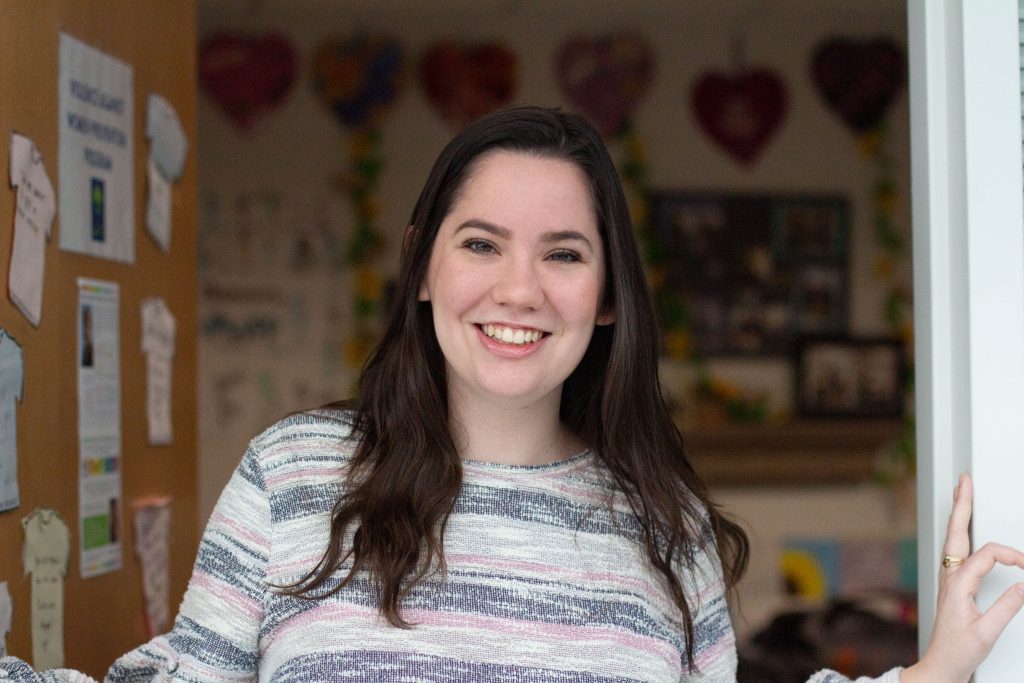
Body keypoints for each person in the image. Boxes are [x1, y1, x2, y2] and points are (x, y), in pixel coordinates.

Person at [2, 106, 1023, 682]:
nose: (519, 289)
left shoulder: (663, 529)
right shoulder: (294, 470)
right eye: (480, 243)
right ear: (421, 267)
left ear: (610, 292)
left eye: (564, 253)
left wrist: (935, 672)